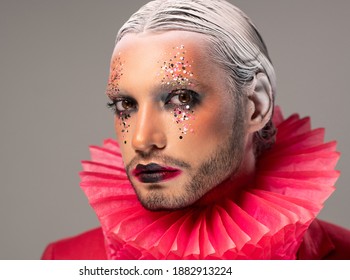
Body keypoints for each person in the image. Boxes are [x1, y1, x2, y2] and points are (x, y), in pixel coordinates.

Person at [42, 0, 350, 260]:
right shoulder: (65, 260)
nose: (141, 139)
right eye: (126, 105)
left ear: (256, 104)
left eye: (181, 99)